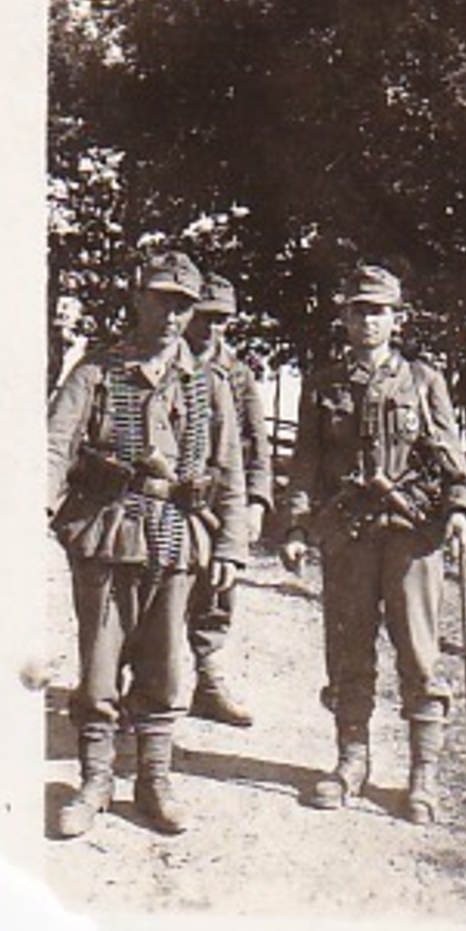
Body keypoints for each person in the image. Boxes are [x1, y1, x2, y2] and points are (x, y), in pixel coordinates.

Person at [47, 251, 247, 838]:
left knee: (163, 667)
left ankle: (153, 783)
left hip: (176, 538)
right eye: (161, 299)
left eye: (183, 305)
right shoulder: (98, 371)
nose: (171, 315)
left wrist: (231, 548)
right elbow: (56, 444)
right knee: (100, 667)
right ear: (138, 297)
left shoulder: (210, 383)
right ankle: (94, 781)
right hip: (109, 532)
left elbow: (229, 470)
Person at [281, 264, 466, 825]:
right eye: (359, 308)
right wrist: (296, 526)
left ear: (397, 319)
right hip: (348, 536)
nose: (369, 319)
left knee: (417, 653)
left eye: (380, 310)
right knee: (348, 652)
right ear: (344, 316)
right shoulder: (324, 384)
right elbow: (306, 464)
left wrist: (461, 511)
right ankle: (350, 764)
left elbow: (451, 457)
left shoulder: (423, 380)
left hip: (412, 537)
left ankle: (423, 775)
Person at [184, 273, 273, 727]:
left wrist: (255, 502)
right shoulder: (165, 359)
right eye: (204, 317)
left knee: (217, 591)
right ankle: (126, 682)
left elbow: (257, 443)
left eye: (221, 321)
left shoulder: (236, 374)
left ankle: (209, 679)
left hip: (218, 500)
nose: (211, 328)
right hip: (170, 493)